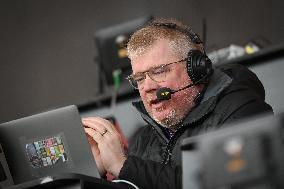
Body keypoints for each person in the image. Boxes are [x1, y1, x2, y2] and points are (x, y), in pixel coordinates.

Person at [82, 17, 273, 189]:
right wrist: (95, 175)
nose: (147, 87)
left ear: (196, 69)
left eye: (159, 71)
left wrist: (124, 166)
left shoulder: (243, 112)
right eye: (139, 78)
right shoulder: (145, 139)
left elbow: (214, 183)